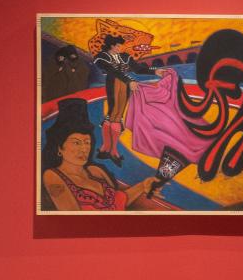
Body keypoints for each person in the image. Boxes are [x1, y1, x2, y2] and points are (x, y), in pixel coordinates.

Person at [40, 98, 170, 212]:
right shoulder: (52, 176)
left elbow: (119, 202)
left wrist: (143, 186)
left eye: (87, 142)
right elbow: (75, 219)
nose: (84, 148)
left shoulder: (95, 171)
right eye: (76, 143)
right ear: (60, 148)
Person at [92, 33, 136, 165]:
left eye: (120, 46)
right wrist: (129, 81)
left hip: (124, 86)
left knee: (117, 115)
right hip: (113, 84)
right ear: (111, 45)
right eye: (117, 46)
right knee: (113, 114)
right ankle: (109, 149)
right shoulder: (102, 57)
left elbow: (138, 68)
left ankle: (107, 149)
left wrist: (154, 71)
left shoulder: (123, 57)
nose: (120, 48)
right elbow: (112, 71)